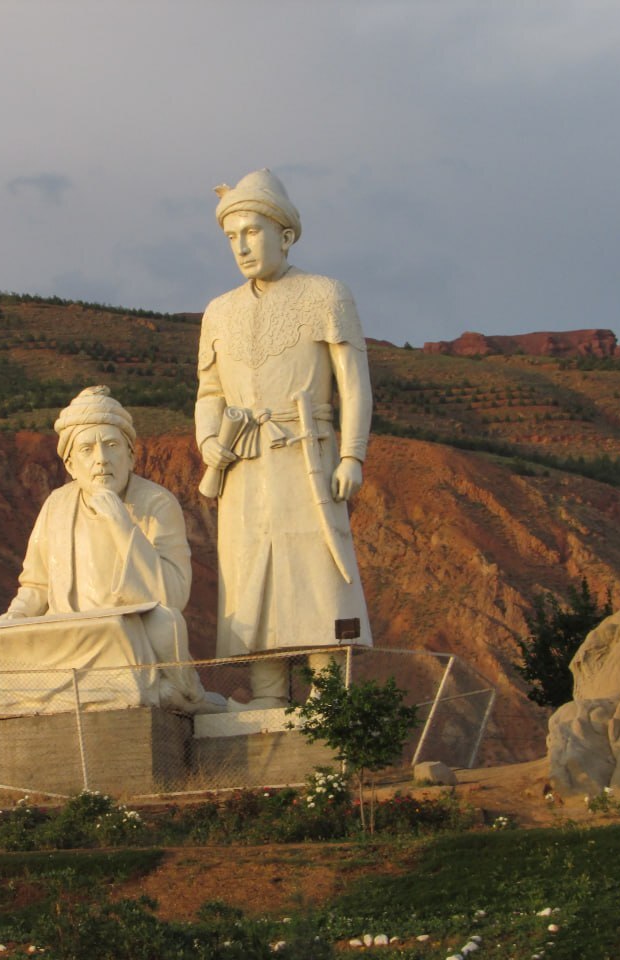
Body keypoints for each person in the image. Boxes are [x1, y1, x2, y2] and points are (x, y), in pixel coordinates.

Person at [196, 169, 373, 709]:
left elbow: (355, 384)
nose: (242, 246)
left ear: (285, 235)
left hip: (307, 458)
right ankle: (268, 698)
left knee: (318, 577)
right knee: (253, 581)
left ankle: (327, 704)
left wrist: (351, 454)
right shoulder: (219, 311)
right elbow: (208, 390)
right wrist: (208, 440)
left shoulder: (325, 294)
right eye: (232, 237)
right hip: (244, 465)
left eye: (251, 232)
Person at [0, 385, 224, 714]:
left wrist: (122, 525)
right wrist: (15, 617)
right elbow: (36, 586)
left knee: (156, 625)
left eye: (111, 445)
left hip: (127, 636)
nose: (101, 459)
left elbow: (172, 597)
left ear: (131, 455)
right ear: (71, 464)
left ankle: (172, 689)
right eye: (87, 449)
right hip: (67, 635)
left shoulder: (157, 503)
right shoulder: (57, 505)